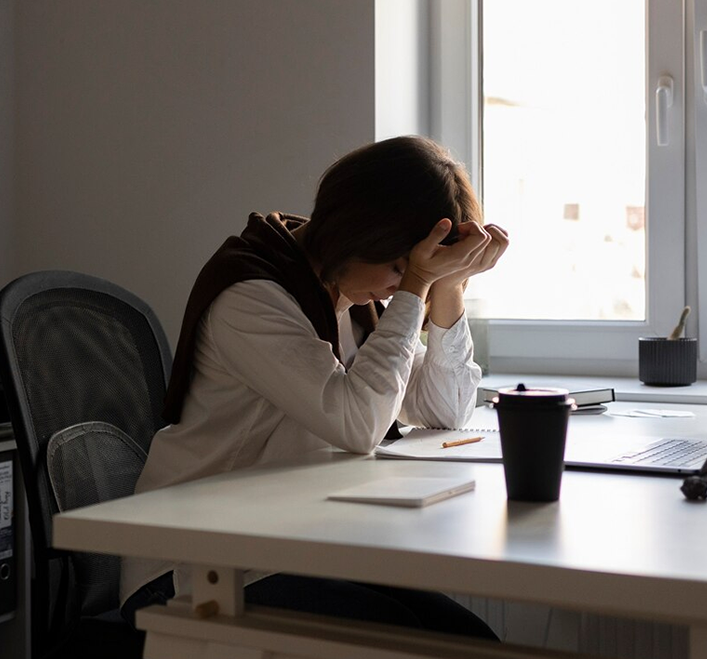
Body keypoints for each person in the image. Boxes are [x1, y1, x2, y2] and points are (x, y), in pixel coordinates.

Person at [120, 136, 508, 639]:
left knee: (467, 640)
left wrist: (448, 285)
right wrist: (415, 289)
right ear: (359, 231)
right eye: (398, 266)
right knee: (411, 642)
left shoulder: (356, 299)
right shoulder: (252, 293)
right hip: (193, 564)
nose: (400, 285)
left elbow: (442, 410)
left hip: (286, 545)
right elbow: (358, 424)